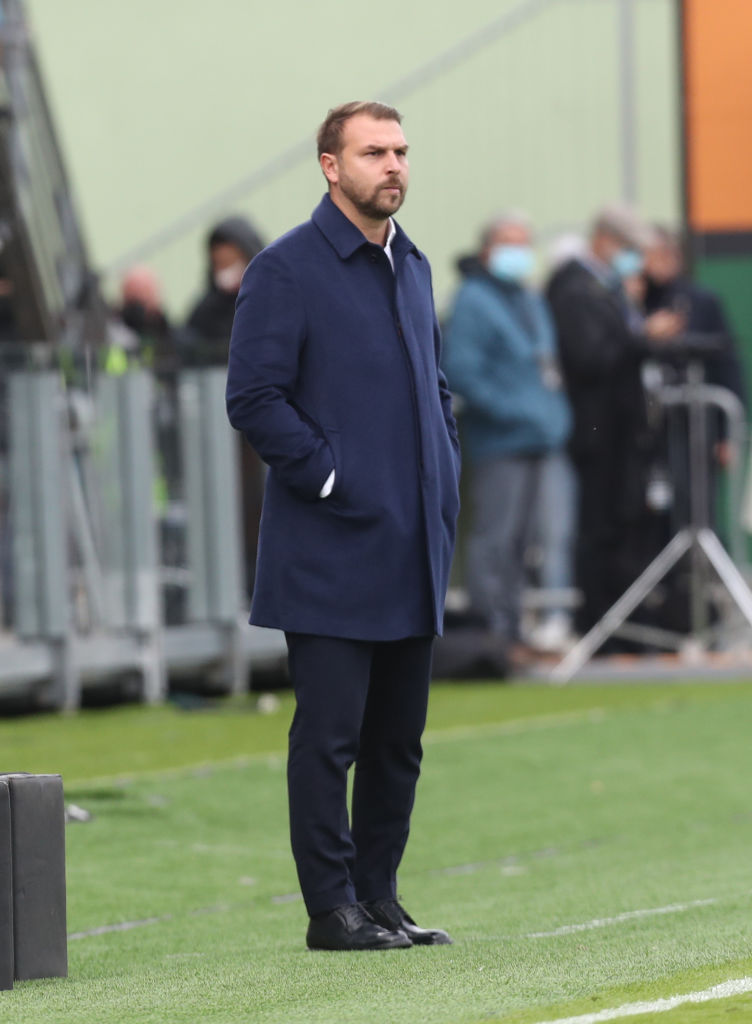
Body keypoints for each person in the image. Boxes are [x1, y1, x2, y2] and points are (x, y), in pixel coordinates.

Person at [226, 101, 460, 951]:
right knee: (330, 739)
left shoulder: (414, 263)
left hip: (412, 544)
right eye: (373, 152)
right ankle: (332, 910)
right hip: (330, 547)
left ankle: (379, 897)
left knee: (398, 741)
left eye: (400, 150)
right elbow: (253, 397)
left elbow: (433, 385)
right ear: (331, 166)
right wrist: (331, 475)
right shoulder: (285, 269)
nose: (393, 165)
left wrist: (445, 465)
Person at [545, 205, 680, 635]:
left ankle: (625, 626)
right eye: (629, 248)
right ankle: (600, 626)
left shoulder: (608, 286)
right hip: (597, 430)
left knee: (623, 527)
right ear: (604, 239)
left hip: (620, 429)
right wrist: (642, 338)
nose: (635, 259)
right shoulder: (574, 288)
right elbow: (590, 357)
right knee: (598, 529)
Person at [443, 213, 570, 667]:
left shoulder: (528, 298)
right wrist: (513, 411)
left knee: (521, 544)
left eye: (524, 243)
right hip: (499, 441)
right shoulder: (473, 301)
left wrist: (549, 417)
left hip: (538, 438)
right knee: (494, 540)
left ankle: (512, 629)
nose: (520, 252)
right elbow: (463, 371)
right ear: (487, 250)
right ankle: (490, 634)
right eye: (509, 243)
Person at [184, 215, 264, 365]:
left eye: (232, 261)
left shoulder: (271, 303)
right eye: (220, 263)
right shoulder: (205, 311)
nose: (226, 270)